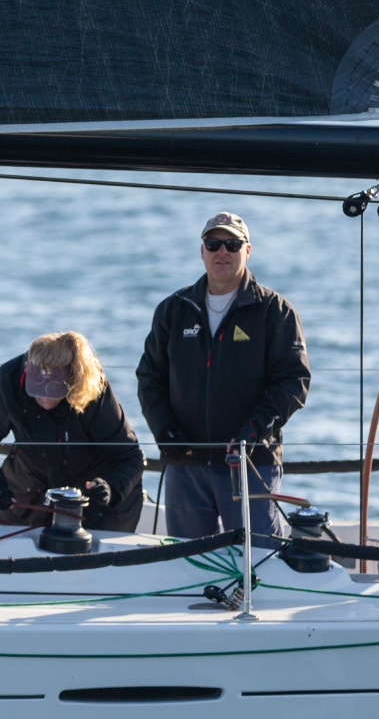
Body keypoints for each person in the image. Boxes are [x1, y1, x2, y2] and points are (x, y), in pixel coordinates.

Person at [136, 212, 310, 539]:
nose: (222, 252)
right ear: (201, 251)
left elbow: (293, 382)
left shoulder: (275, 311)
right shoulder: (173, 309)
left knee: (257, 558)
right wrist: (165, 432)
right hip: (185, 466)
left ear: (248, 250)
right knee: (188, 560)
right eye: (213, 243)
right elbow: (149, 379)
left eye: (232, 244)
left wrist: (253, 431)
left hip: (249, 463)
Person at [0, 332, 144, 532]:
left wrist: (111, 488)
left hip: (94, 498)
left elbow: (131, 457)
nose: (45, 398)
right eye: (37, 390)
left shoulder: (92, 386)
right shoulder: (9, 379)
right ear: (26, 370)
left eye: (53, 391)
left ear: (72, 379)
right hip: (30, 489)